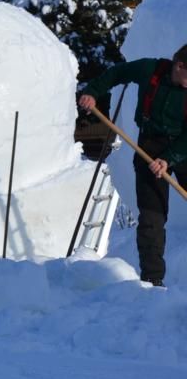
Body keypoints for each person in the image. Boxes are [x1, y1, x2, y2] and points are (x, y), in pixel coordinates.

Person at [78, 43, 187, 287]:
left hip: (183, 146)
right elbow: (118, 73)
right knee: (152, 218)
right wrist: (93, 92)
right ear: (180, 66)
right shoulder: (151, 69)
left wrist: (168, 158)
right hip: (149, 146)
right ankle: (152, 280)